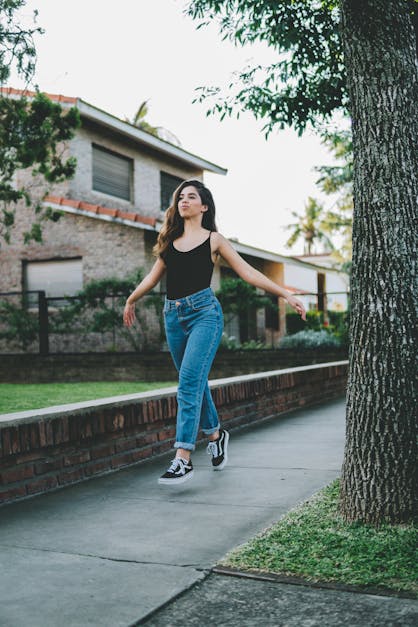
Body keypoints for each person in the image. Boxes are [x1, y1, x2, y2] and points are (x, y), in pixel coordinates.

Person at [123, 179, 306, 485]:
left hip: (205, 314)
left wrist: (285, 294)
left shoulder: (214, 240)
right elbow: (152, 278)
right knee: (194, 382)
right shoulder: (170, 243)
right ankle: (216, 436)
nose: (184, 201)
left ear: (203, 206)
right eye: (180, 197)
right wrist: (131, 299)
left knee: (188, 384)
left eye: (191, 197)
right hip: (173, 316)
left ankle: (183, 457)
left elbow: (248, 271)